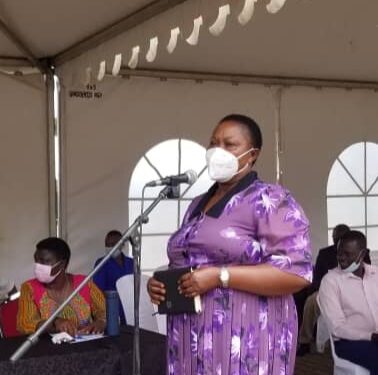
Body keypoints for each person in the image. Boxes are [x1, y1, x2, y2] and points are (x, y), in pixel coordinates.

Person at [147, 114, 312, 375]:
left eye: (229, 144)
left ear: (252, 154)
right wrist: (161, 283)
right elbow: (188, 260)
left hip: (245, 336)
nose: (217, 151)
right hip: (189, 334)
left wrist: (220, 277)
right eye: (213, 143)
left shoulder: (269, 199)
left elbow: (295, 273)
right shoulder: (197, 203)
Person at [297, 224, 371, 355]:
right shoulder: (324, 253)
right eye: (335, 239)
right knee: (310, 302)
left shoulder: (361, 253)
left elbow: (366, 276)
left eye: (340, 239)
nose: (338, 243)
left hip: (354, 289)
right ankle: (304, 341)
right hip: (327, 290)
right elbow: (318, 279)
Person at [17, 237, 106, 336]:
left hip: (86, 347)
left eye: (44, 261)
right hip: (47, 349)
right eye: (36, 260)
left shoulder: (84, 283)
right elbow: (25, 324)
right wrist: (54, 322)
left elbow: (105, 312)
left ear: (62, 264)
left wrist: (101, 322)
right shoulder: (29, 288)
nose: (38, 265)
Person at [319, 230, 378, 374]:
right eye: (339, 253)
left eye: (347, 254)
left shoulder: (375, 274)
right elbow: (337, 327)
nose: (341, 258)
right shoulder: (331, 281)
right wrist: (370, 336)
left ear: (362, 254)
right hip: (349, 343)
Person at [93, 230, 133, 324]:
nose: (110, 247)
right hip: (112, 310)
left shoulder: (132, 263)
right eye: (107, 244)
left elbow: (137, 286)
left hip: (130, 309)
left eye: (113, 244)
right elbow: (97, 292)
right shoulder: (101, 263)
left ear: (122, 244)